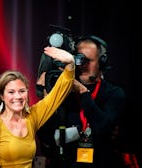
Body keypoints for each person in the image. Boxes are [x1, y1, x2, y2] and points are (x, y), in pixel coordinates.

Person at [35, 35, 126, 168]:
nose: (82, 64)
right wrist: (46, 95)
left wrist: (80, 89)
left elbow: (102, 129)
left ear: (102, 62)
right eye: (78, 59)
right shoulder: (63, 90)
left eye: (88, 60)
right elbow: (45, 137)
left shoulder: (113, 93)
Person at [0, 46, 76, 167]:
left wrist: (71, 64)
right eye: (11, 92)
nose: (18, 96)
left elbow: (58, 93)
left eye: (22, 91)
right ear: (1, 96)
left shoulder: (32, 117)